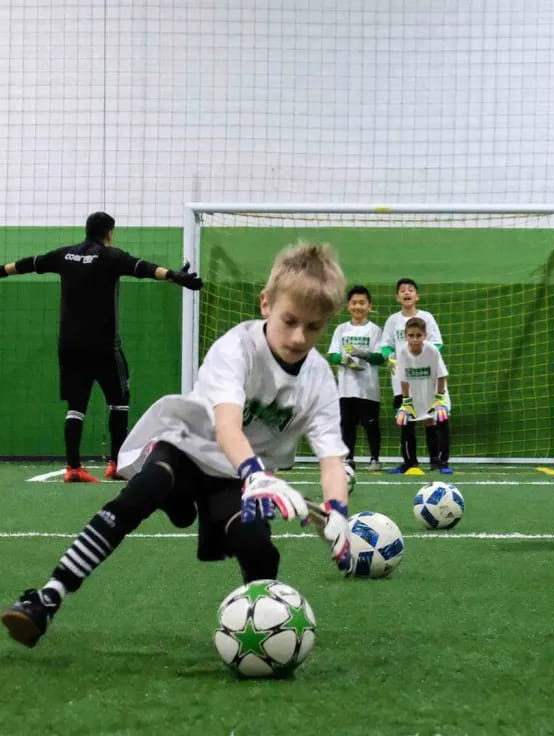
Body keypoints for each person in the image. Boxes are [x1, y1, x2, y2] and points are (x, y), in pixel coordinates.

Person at [1, 241, 353, 648]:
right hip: (188, 448)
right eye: (289, 320)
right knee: (143, 491)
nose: (298, 337)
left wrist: (338, 512)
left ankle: (263, 634)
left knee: (257, 546)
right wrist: (256, 475)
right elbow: (226, 427)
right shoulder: (236, 348)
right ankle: (47, 598)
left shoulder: (319, 379)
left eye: (313, 327)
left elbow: (332, 456)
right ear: (265, 303)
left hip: (232, 477)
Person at [0, 212, 202, 483]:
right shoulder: (111, 256)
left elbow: (30, 264)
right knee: (118, 403)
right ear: (109, 233)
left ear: (87, 230)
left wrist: (1, 271)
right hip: (105, 346)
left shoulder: (65, 255)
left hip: (70, 346)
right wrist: (174, 276)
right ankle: (116, 464)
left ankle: (73, 468)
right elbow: (143, 268)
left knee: (76, 406)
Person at [377, 278, 447, 474]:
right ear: (397, 297)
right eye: (402, 290)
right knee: (406, 418)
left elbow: (437, 344)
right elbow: (385, 345)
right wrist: (389, 356)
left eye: (410, 290)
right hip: (402, 379)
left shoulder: (427, 317)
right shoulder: (392, 320)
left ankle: (435, 460)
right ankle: (409, 461)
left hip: (424, 378)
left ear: (417, 296)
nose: (406, 292)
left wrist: (422, 356)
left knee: (429, 419)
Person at [327, 285, 384, 471]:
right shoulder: (341, 329)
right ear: (348, 306)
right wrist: (345, 361)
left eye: (362, 303)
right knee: (347, 424)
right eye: (354, 303)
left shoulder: (374, 330)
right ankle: (348, 458)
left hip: (368, 388)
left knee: (370, 424)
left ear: (369, 306)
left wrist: (364, 354)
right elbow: (333, 355)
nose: (358, 306)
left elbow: (380, 357)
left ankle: (374, 459)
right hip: (346, 387)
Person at [394, 317, 452, 474]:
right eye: (411, 335)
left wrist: (439, 399)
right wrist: (406, 402)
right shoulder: (403, 352)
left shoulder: (432, 351)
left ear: (424, 335)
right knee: (409, 421)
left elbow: (441, 376)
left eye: (418, 335)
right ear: (405, 336)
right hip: (417, 390)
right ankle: (410, 463)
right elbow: (404, 380)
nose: (414, 339)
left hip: (435, 391)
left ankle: (438, 462)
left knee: (433, 422)